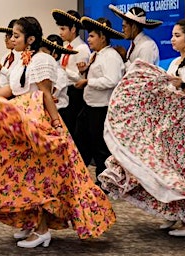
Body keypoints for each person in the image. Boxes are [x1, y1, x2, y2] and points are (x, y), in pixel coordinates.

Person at [0, 16, 115, 249]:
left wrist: (56, 127)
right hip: (21, 121)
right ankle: (31, 222)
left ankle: (42, 230)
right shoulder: (20, 61)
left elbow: (46, 94)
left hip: (39, 124)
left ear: (31, 39)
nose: (12, 39)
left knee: (42, 178)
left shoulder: (43, 60)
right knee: (22, 175)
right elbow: (10, 89)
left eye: (16, 35)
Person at [98, 19, 185, 237]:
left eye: (177, 35)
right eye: (172, 35)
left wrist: (179, 84)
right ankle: (178, 213)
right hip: (176, 126)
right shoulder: (174, 63)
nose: (172, 39)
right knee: (174, 167)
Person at [74, 17, 125, 188]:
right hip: (89, 106)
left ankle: (105, 183)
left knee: (100, 148)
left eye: (92, 36)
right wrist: (84, 73)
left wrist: (88, 82)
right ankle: (80, 178)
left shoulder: (110, 56)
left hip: (101, 108)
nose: (88, 39)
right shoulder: (96, 55)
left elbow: (112, 80)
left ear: (103, 37)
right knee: (83, 141)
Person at [51, 9, 91, 138]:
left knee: (72, 130)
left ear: (73, 29)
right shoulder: (65, 47)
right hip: (64, 91)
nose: (60, 33)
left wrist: (63, 69)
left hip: (75, 93)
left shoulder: (82, 49)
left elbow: (81, 77)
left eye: (63, 29)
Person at [39, 34, 78, 125]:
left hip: (59, 112)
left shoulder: (60, 73)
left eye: (45, 53)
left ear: (54, 55)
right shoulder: (45, 69)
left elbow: (52, 94)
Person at [108, 4, 162, 69]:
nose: (122, 30)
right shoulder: (135, 44)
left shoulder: (146, 46)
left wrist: (125, 59)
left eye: (124, 27)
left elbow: (143, 75)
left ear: (134, 27)